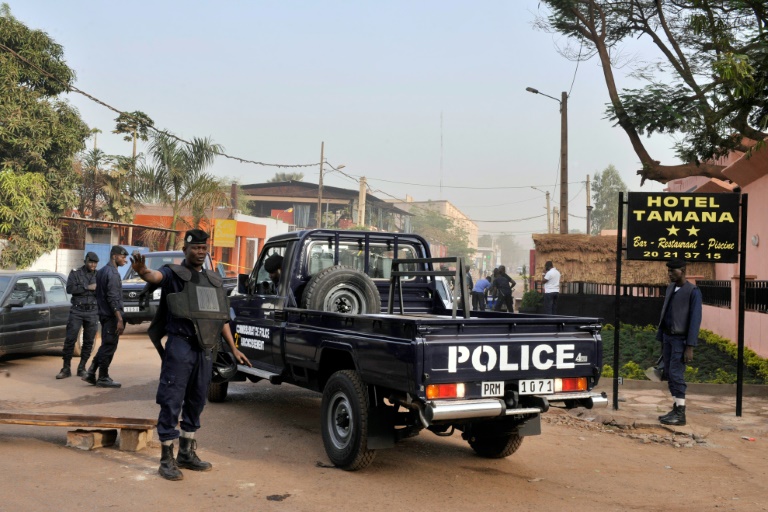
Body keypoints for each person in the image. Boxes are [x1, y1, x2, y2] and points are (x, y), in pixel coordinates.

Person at [131, 229, 251, 481]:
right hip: (180, 346)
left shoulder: (213, 279)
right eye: (195, 248)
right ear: (185, 249)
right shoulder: (173, 273)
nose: (200, 252)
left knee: (197, 400)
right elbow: (155, 276)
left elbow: (222, 318)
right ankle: (166, 459)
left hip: (205, 349)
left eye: (203, 248)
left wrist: (233, 348)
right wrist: (143, 272)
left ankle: (186, 453)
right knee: (172, 399)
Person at [656, 258, 702, 427]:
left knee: (676, 374)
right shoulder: (670, 288)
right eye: (668, 271)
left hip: (680, 340)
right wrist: (661, 338)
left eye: (672, 271)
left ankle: (681, 414)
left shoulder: (693, 291)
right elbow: (665, 312)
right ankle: (675, 408)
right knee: (668, 373)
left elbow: (695, 320)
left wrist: (690, 346)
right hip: (668, 338)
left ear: (682, 270)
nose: (669, 274)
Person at [83, 245, 128, 388]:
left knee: (105, 345)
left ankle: (91, 372)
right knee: (109, 347)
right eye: (122, 257)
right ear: (114, 256)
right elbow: (113, 298)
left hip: (103, 314)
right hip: (111, 316)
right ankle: (103, 377)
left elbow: (99, 294)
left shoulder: (101, 271)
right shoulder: (113, 274)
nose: (124, 260)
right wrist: (119, 318)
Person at [56, 252, 100, 379]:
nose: (93, 265)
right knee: (70, 339)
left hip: (92, 311)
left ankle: (82, 367)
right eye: (91, 262)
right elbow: (70, 289)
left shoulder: (99, 275)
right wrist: (88, 287)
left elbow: (102, 292)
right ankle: (66, 368)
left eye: (95, 263)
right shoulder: (75, 273)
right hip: (77, 311)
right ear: (85, 261)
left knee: (89, 341)